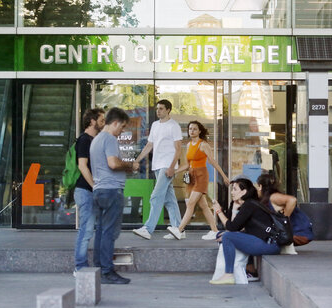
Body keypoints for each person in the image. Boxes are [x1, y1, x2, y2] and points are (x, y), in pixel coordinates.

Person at [90, 107, 138, 284]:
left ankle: (99, 268)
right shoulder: (109, 138)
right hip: (111, 190)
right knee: (109, 233)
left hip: (100, 190)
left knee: (102, 232)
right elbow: (113, 163)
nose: (122, 131)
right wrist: (130, 165)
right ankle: (107, 272)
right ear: (115, 123)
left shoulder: (96, 140)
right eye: (123, 127)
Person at [210, 178, 280, 285]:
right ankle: (247, 269)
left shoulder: (249, 205)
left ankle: (229, 274)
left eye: (235, 189)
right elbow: (232, 228)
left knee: (227, 237)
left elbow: (232, 227)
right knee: (223, 235)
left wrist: (219, 211)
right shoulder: (247, 204)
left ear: (244, 192)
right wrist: (234, 209)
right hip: (262, 241)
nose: (232, 192)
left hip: (269, 244)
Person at [167, 121, 230, 240]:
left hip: (201, 175)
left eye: (195, 129)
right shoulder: (189, 145)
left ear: (199, 131)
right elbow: (187, 164)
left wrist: (224, 176)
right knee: (204, 206)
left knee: (190, 203)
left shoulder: (203, 145)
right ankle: (215, 230)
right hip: (191, 176)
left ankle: (179, 230)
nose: (192, 131)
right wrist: (174, 171)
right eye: (190, 129)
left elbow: (213, 161)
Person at [132, 99, 183, 240]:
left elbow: (178, 149)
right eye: (157, 108)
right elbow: (149, 145)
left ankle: (148, 229)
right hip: (157, 165)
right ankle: (178, 229)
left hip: (167, 165)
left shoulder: (174, 126)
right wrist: (137, 160)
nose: (158, 111)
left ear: (168, 110)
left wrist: (172, 167)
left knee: (156, 196)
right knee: (169, 199)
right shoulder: (155, 125)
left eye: (161, 108)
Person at [73, 108, 105, 275]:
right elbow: (82, 166)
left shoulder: (96, 140)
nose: (103, 122)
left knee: (99, 228)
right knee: (86, 230)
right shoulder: (84, 140)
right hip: (86, 191)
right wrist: (95, 186)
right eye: (101, 119)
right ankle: (80, 267)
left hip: (94, 190)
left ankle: (98, 264)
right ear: (92, 121)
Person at [256, 173, 312, 246]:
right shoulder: (269, 199)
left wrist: (284, 221)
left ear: (260, 186)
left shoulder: (273, 197)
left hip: (299, 233)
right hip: (299, 233)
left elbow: (292, 200)